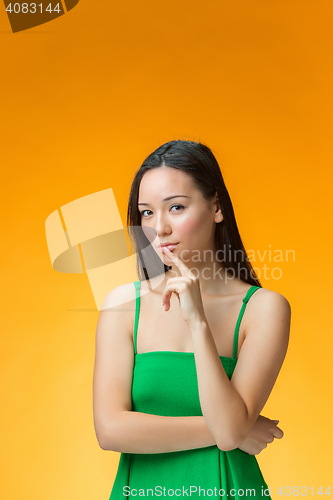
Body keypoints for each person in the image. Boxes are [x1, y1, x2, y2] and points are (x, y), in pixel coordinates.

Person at [93, 140, 291, 499]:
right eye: (147, 213)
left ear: (216, 207)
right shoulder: (123, 304)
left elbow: (230, 431)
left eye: (176, 207)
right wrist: (234, 429)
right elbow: (110, 430)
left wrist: (198, 322)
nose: (160, 228)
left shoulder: (263, 309)